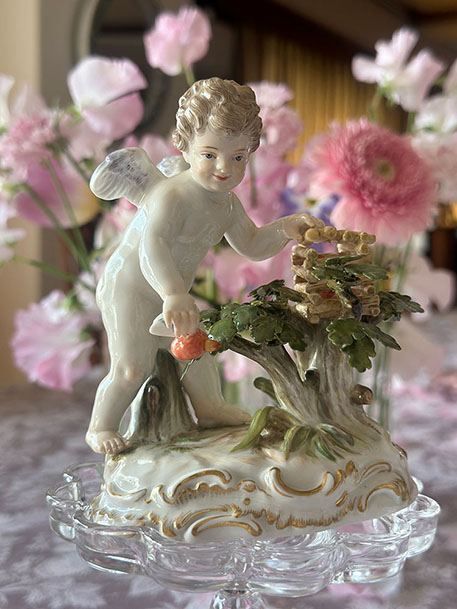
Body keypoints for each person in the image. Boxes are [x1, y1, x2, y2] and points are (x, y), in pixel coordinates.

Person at [86, 77, 323, 455]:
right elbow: (152, 245)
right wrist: (173, 293)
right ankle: (101, 426)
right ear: (184, 147)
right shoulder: (172, 195)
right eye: (210, 155)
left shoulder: (226, 205)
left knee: (196, 350)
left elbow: (251, 244)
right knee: (132, 368)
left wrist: (284, 228)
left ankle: (209, 409)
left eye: (238, 157)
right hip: (129, 287)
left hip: (171, 294)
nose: (224, 168)